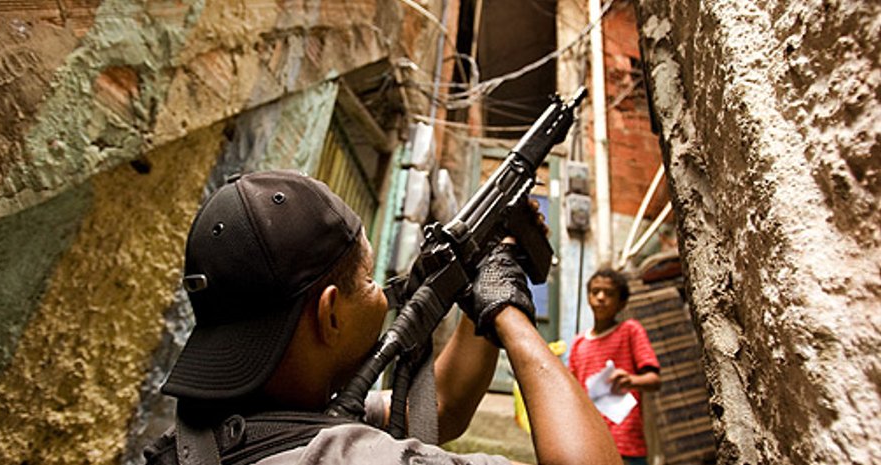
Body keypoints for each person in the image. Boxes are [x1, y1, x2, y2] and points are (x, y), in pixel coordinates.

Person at [143, 170, 620, 465]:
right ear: (330, 314)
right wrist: (511, 314)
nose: (380, 293)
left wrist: (485, 277)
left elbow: (442, 407)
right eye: (369, 279)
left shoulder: (202, 434)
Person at [568, 268, 662, 465]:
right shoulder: (579, 343)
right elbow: (573, 392)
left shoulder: (630, 331)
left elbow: (654, 380)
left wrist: (631, 380)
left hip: (626, 442)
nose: (601, 297)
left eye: (609, 293)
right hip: (589, 441)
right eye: (595, 292)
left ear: (622, 303)